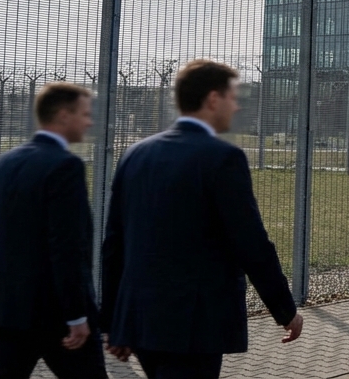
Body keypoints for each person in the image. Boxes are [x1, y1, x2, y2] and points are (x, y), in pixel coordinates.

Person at [101, 59, 303, 379]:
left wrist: (114, 321)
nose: (236, 107)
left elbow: (114, 244)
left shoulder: (136, 154)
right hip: (195, 323)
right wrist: (284, 309)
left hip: (142, 318)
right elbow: (250, 242)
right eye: (232, 97)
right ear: (212, 99)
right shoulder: (222, 157)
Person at [0, 82, 106, 379]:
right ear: (64, 115)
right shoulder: (65, 166)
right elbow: (67, 246)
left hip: (5, 308)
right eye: (84, 113)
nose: (89, 121)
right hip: (55, 312)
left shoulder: (3, 163)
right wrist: (77, 314)